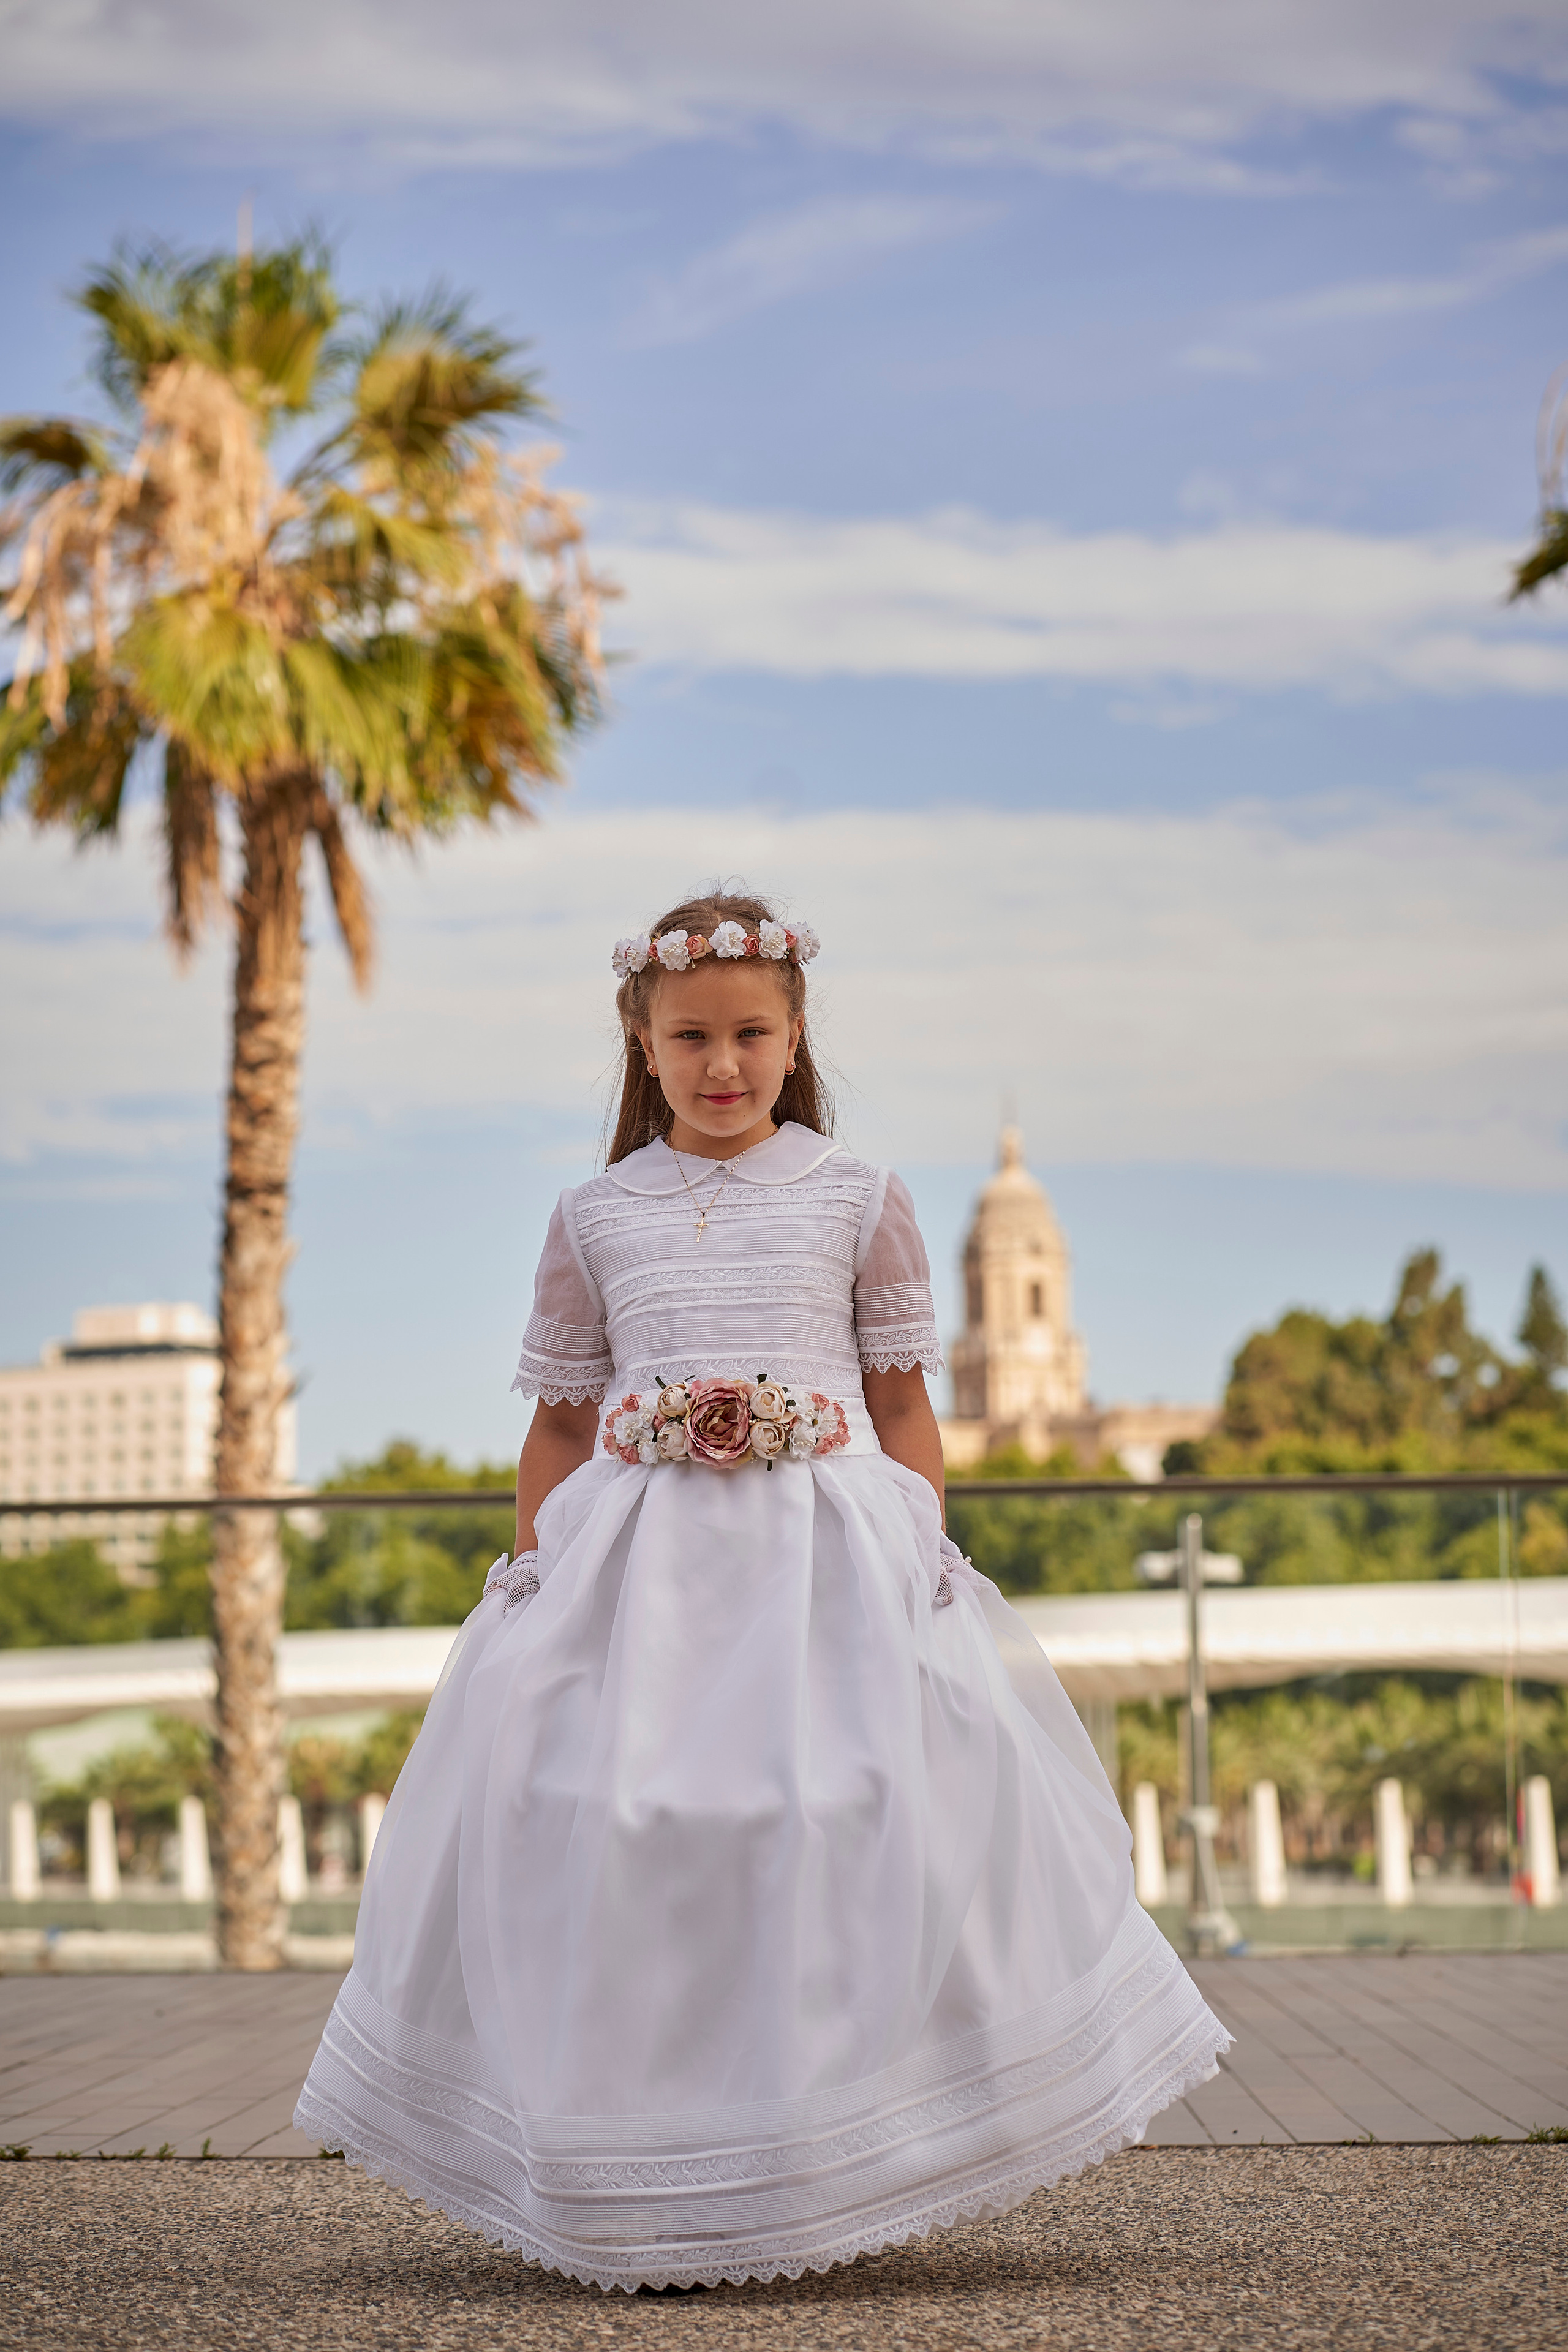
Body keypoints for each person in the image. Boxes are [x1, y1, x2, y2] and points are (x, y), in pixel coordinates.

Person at [295, 888, 1227, 2293]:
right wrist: (536, 1569)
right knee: (622, 1823)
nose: (719, 1064)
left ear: (794, 1040)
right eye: (689, 1039)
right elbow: (559, 1422)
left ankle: (827, 2151)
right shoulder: (596, 1213)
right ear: (643, 1045)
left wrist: (915, 1541)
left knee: (834, 1815)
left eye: (748, 1035)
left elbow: (902, 1404)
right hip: (635, 1574)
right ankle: (637, 2159)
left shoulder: (858, 1197)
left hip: (823, 1562)